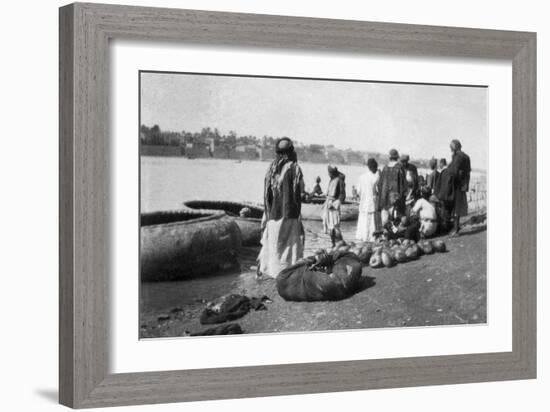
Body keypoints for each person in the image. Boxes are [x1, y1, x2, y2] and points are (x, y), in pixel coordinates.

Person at [257, 137, 305, 278]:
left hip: (273, 214)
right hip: (289, 215)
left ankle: (273, 272)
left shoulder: (271, 169)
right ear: (291, 151)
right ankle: (287, 273)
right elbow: (300, 191)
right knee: (290, 247)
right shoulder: (294, 168)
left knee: (274, 247)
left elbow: (267, 194)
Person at [447, 139, 471, 236]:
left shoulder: (457, 157)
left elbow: (454, 171)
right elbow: (468, 171)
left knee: (456, 207)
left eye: (451, 148)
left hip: (456, 184)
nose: (450, 150)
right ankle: (455, 227)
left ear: (454, 148)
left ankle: (455, 229)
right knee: (459, 206)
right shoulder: (466, 156)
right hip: (462, 184)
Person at [377, 149, 406, 227]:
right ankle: (393, 236)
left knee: (385, 223)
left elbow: (379, 185)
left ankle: (386, 236)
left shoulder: (385, 168)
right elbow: (403, 187)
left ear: (389, 157)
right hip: (395, 201)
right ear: (397, 157)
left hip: (384, 201)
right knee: (395, 223)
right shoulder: (400, 168)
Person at [356, 158, 380, 242]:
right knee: (371, 224)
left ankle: (362, 238)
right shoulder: (376, 177)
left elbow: (358, 191)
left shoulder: (361, 177)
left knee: (363, 222)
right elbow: (378, 191)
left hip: (363, 204)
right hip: (371, 203)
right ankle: (370, 239)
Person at [321, 165, 346, 246]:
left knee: (335, 226)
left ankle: (339, 243)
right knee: (330, 227)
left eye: (329, 173)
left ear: (332, 173)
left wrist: (335, 203)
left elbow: (342, 195)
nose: (328, 174)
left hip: (334, 206)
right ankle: (333, 243)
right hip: (328, 205)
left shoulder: (339, 180)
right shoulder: (332, 180)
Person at [433, 158, 454, 233]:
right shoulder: (448, 171)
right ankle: (447, 228)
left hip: (445, 197)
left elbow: (445, 185)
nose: (439, 165)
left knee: (445, 213)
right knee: (447, 213)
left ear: (442, 163)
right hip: (448, 196)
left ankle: (445, 229)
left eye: (439, 163)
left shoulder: (445, 172)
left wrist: (440, 196)